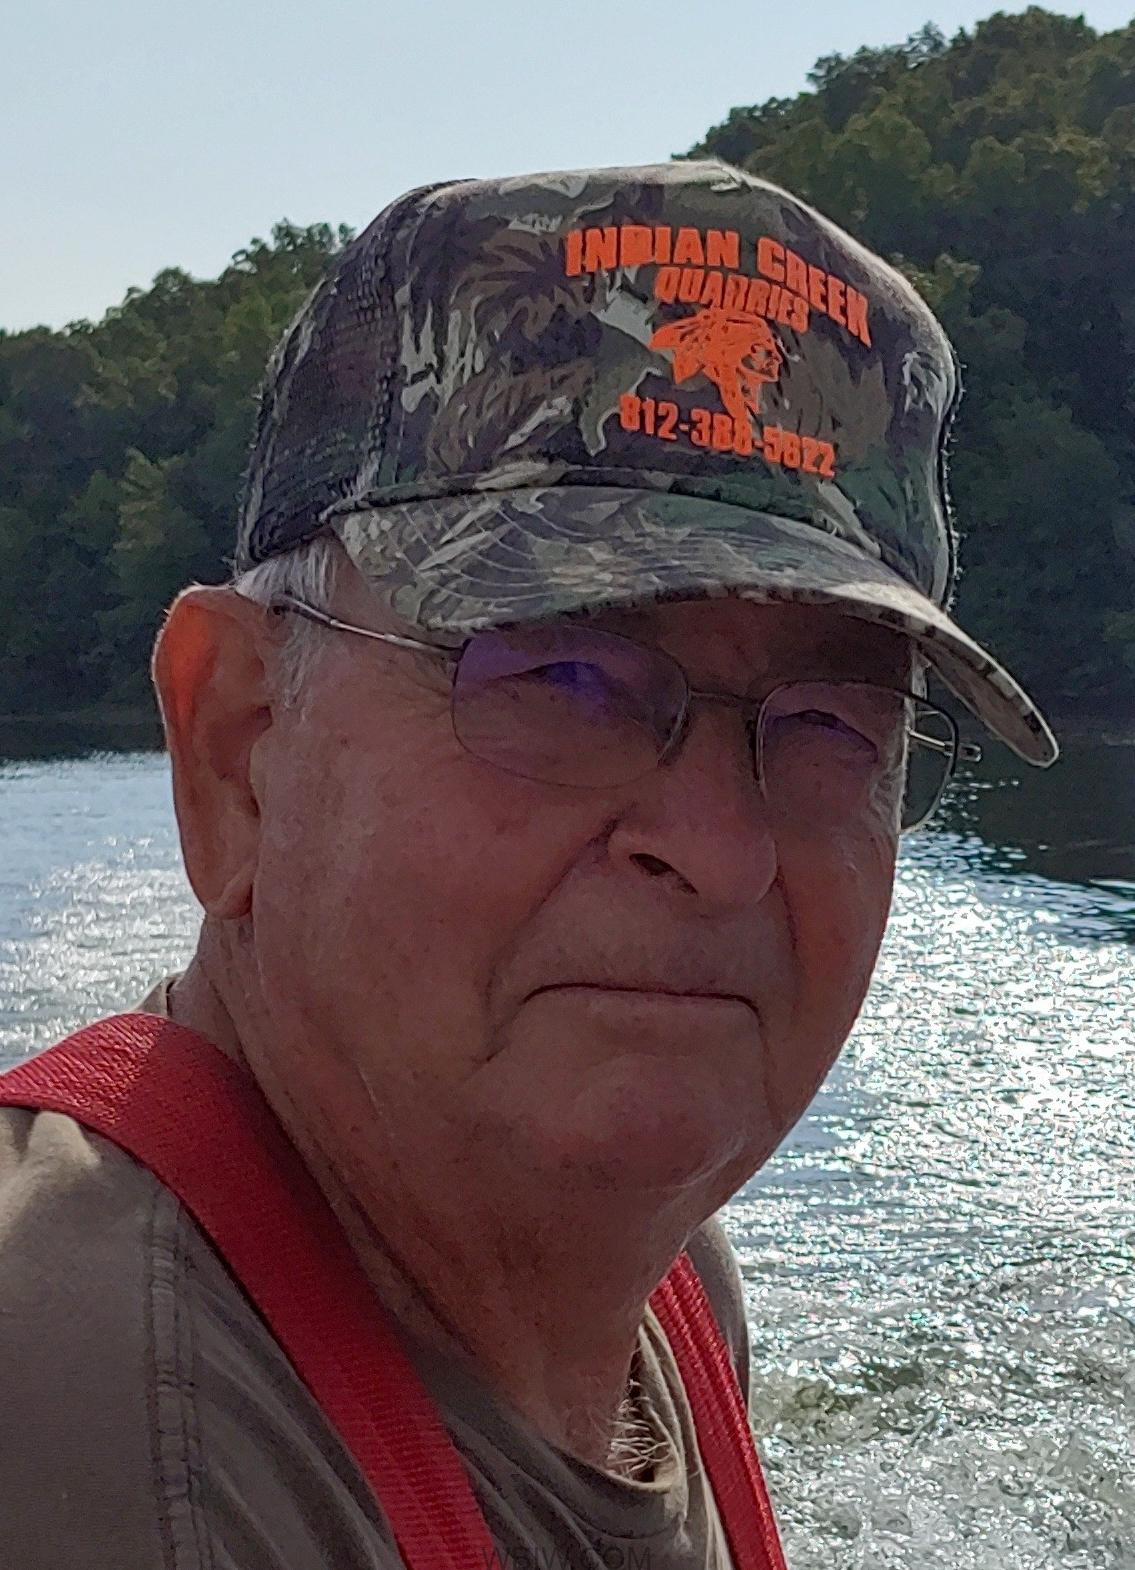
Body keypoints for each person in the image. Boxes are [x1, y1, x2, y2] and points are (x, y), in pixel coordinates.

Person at [0, 160, 1057, 1570]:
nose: (720, 850)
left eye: (833, 724)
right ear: (241, 749)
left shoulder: (665, 1282)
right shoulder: (90, 1416)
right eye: (564, 677)